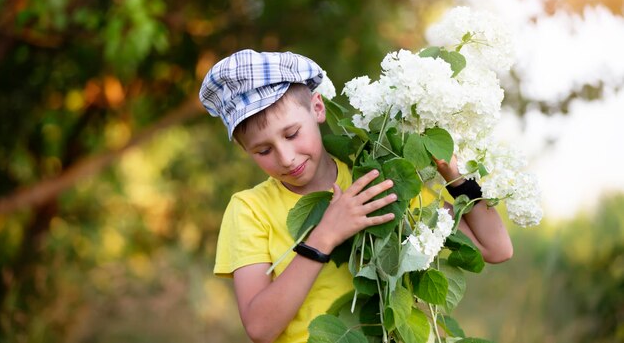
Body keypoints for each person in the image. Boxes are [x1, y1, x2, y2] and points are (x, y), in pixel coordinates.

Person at [199, 49, 513, 343]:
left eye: (292, 134)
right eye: (263, 150)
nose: (286, 157)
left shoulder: (373, 177)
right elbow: (259, 327)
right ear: (246, 151)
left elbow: (495, 248)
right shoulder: (250, 208)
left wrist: (455, 175)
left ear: (318, 108)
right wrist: (325, 236)